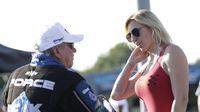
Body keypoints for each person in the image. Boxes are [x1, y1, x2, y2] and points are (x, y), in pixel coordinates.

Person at [2, 22, 115, 112]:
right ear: (56, 51)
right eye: (71, 45)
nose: (75, 50)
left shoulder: (15, 75)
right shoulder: (70, 80)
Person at [110, 9, 189, 112]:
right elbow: (116, 95)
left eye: (135, 32)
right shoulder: (147, 66)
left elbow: (181, 100)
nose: (133, 39)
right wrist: (130, 64)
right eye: (129, 36)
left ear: (151, 27)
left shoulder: (171, 53)